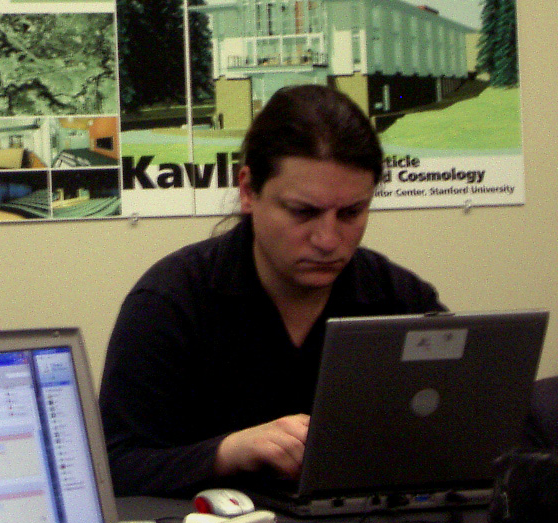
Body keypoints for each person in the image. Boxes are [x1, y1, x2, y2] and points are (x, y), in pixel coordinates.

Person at [98, 85, 443, 498]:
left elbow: (467, 437)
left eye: (351, 213)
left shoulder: (402, 301)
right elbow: (114, 467)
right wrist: (228, 453)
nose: (328, 240)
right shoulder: (170, 303)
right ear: (248, 191)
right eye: (303, 212)